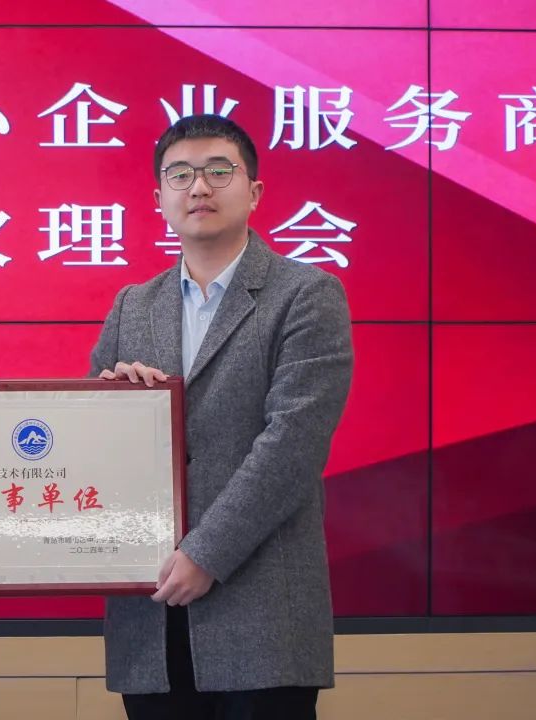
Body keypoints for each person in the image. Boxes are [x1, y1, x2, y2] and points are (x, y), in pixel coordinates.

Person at [90, 114, 353, 719]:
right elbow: (93, 449)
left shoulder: (306, 294)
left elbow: (293, 443)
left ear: (254, 191)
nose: (199, 187)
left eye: (218, 171)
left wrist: (205, 554)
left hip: (262, 614)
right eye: (180, 175)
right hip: (150, 615)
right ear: (159, 198)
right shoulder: (132, 305)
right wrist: (111, 405)